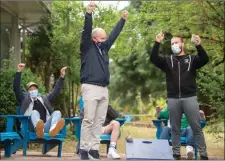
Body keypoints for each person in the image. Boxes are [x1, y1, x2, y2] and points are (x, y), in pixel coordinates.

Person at [79, 1, 128, 160]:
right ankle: (84, 150)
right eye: (101, 38)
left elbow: (113, 35)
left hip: (103, 89)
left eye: (105, 38)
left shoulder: (104, 49)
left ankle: (94, 149)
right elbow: (86, 32)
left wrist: (122, 20)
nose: (105, 40)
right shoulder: (87, 47)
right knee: (88, 120)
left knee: (99, 121)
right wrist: (89, 14)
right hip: (90, 87)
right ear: (94, 39)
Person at [150, 33, 209, 160]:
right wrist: (157, 43)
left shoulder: (192, 59)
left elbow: (204, 59)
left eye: (176, 43)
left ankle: (203, 154)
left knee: (196, 127)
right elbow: (153, 58)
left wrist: (198, 45)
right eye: (172, 43)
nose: (174, 45)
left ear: (182, 44)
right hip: (173, 99)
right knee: (175, 128)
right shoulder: (167, 60)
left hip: (189, 97)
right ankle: (176, 153)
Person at [13, 63, 67, 138]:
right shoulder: (24, 99)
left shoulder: (44, 98)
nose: (33, 90)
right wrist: (19, 71)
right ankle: (38, 129)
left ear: (37, 90)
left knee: (57, 112)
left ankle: (53, 128)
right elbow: (16, 88)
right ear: (27, 92)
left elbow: (55, 91)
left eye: (35, 89)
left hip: (45, 127)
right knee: (34, 112)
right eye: (31, 89)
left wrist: (61, 77)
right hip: (30, 127)